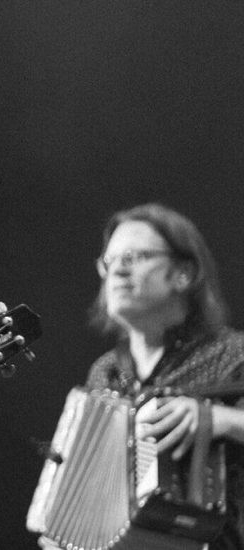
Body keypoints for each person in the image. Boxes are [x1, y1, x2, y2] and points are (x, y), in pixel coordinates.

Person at [81, 203, 244, 549]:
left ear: (183, 273)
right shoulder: (105, 372)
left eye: (135, 257)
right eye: (109, 261)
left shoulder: (233, 354)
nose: (117, 271)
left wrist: (220, 419)